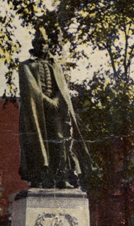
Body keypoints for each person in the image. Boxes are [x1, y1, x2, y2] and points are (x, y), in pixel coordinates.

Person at [18, 27, 91, 188]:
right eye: (39, 43)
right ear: (34, 45)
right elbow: (31, 89)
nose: (42, 46)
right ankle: (38, 176)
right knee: (37, 142)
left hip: (55, 111)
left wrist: (57, 100)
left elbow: (62, 88)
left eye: (45, 43)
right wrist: (47, 101)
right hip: (36, 111)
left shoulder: (56, 65)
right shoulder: (25, 66)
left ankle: (61, 177)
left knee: (59, 140)